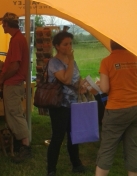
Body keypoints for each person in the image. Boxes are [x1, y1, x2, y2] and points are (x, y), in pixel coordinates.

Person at [95, 40, 137, 176]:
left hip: (116, 109)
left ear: (111, 45)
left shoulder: (107, 61)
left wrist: (100, 83)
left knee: (107, 148)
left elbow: (105, 88)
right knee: (133, 147)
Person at [0, 12, 31, 163]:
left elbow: (14, 66)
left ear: (8, 24)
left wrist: (1, 77)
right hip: (13, 83)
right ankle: (19, 145)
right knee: (13, 114)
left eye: (3, 24)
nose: (2, 26)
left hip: (13, 84)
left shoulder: (16, 40)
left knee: (15, 114)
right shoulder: (17, 39)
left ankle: (26, 147)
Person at [46, 31, 85, 176]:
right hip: (59, 104)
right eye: (65, 44)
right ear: (57, 46)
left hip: (73, 103)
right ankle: (51, 169)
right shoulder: (54, 62)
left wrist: (82, 85)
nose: (69, 47)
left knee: (74, 134)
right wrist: (70, 60)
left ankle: (76, 164)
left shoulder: (72, 61)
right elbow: (66, 80)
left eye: (70, 43)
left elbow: (76, 78)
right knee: (58, 136)